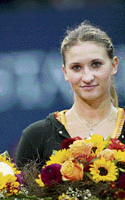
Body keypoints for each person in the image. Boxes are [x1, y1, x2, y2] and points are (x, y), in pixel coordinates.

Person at [16, 21, 125, 168]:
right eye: (76, 67)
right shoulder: (36, 137)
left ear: (114, 65)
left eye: (96, 64)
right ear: (65, 72)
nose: (87, 77)